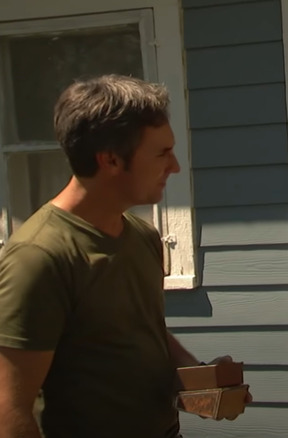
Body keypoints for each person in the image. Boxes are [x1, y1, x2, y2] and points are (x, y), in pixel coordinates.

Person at [0, 75, 248, 438]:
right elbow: (10, 410)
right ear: (111, 160)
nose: (175, 166)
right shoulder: (39, 257)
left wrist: (201, 384)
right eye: (162, 153)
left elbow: (146, 331)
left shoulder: (143, 237)